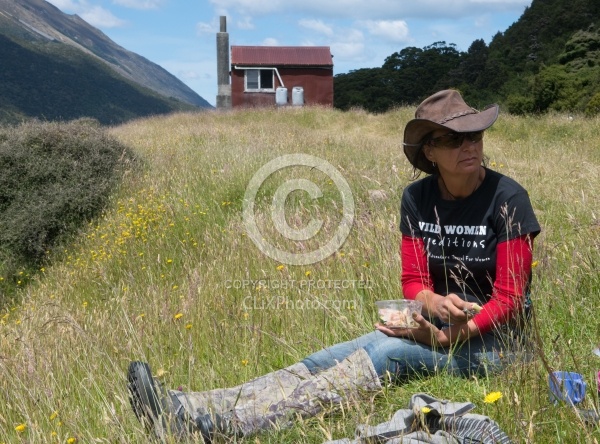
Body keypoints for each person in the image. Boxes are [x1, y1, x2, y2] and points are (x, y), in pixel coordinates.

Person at [127, 89, 540, 442]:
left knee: (386, 352)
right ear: (430, 151)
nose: (469, 146)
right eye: (453, 139)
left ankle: (223, 426)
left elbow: (509, 298)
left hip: (497, 343)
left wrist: (447, 338)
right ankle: (188, 405)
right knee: (336, 353)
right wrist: (429, 305)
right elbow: (413, 281)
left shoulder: (508, 199)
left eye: (474, 136)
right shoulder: (417, 197)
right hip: (438, 324)